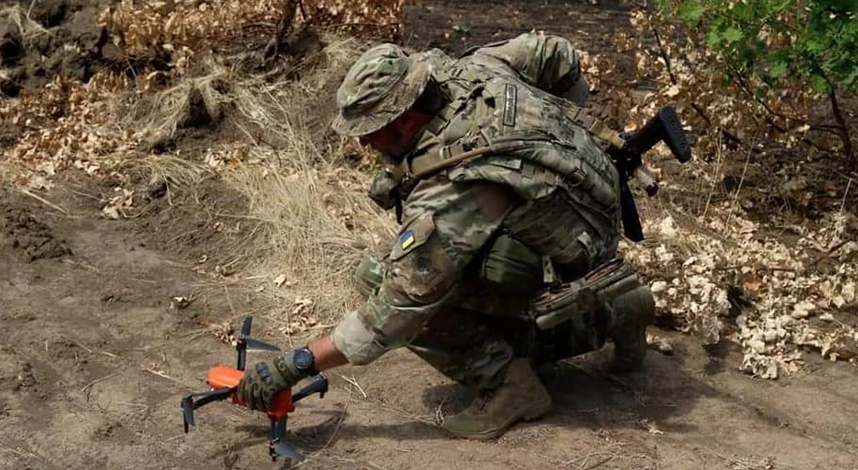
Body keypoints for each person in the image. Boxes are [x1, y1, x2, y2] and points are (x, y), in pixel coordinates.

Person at [236, 32, 655, 440]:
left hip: (573, 248)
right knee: (442, 274)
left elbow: (393, 313)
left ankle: (515, 384)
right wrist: (566, 145)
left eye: (372, 130)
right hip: (587, 211)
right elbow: (554, 51)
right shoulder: (467, 70)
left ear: (405, 119)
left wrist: (297, 363)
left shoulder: (458, 187)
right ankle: (624, 307)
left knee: (380, 280)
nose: (365, 142)